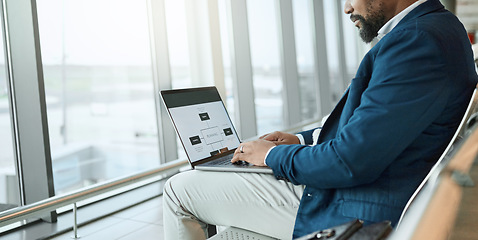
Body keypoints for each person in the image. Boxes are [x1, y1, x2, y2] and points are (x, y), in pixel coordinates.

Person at [163, 0, 478, 239]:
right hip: (378, 185)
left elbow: (350, 161)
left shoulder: (416, 40)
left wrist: (270, 155)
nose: (347, 8)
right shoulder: (440, 27)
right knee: (232, 232)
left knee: (179, 188)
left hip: (356, 206)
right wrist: (300, 140)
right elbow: (374, 128)